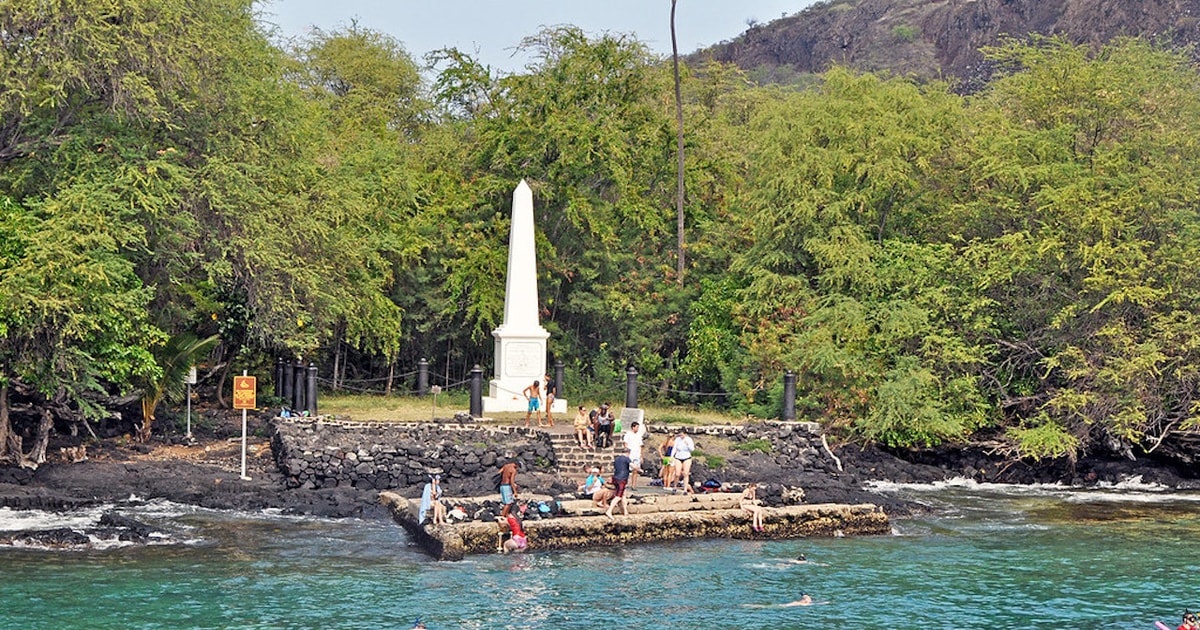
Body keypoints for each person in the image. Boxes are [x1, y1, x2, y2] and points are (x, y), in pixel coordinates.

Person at [606, 454, 631, 518]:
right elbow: (632, 465)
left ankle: (625, 511)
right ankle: (609, 511)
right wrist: (639, 470)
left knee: (623, 495)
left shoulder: (616, 459)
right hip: (622, 479)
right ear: (628, 453)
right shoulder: (626, 458)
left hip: (616, 478)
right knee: (619, 496)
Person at [622, 420, 646, 489]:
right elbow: (626, 444)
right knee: (626, 470)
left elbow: (640, 446)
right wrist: (626, 453)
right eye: (637, 427)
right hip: (630, 454)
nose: (638, 429)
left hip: (637, 454)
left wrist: (641, 456)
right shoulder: (628, 434)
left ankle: (634, 485)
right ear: (633, 427)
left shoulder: (639, 436)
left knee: (635, 470)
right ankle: (624, 483)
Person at [672, 429, 696, 493]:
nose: (681, 436)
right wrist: (672, 457)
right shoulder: (677, 439)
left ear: (685, 434)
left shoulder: (689, 439)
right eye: (680, 435)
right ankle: (675, 487)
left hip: (687, 457)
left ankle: (685, 489)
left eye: (682, 435)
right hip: (678, 457)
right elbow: (674, 448)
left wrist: (688, 444)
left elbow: (692, 449)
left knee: (686, 473)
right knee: (677, 473)